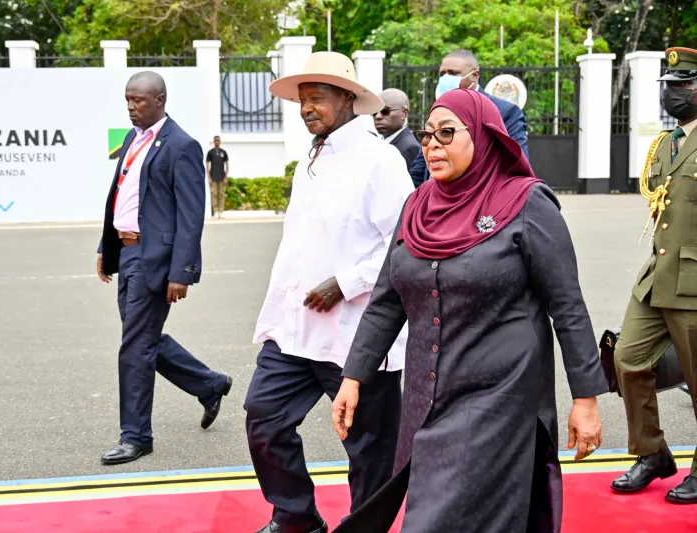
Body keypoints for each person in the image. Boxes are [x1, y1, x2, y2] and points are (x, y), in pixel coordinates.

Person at [331, 89, 606, 533]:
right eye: (427, 135)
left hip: (499, 399)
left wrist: (585, 400)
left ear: (482, 135)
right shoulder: (417, 206)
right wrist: (353, 377)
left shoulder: (526, 202)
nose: (432, 145)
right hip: (425, 398)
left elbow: (568, 306)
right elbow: (386, 302)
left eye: (446, 133)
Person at [245, 52, 413, 533]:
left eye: (316, 98)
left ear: (347, 98)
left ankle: (365, 528)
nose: (306, 108)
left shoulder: (381, 161)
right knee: (264, 417)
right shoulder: (311, 158)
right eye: (302, 100)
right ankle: (296, 518)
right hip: (295, 330)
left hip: (356, 334)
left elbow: (404, 244)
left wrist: (346, 282)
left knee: (369, 450)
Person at [97, 71, 232, 466]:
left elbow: (191, 215)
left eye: (138, 100)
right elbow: (123, 196)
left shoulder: (181, 145)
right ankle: (209, 384)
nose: (131, 106)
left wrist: (181, 271)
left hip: (154, 258)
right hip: (127, 252)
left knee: (136, 346)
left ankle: (136, 436)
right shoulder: (132, 139)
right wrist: (107, 246)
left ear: (159, 100)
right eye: (127, 99)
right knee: (142, 339)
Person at [610, 46, 697, 504]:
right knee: (627, 359)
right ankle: (652, 453)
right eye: (669, 87)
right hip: (657, 275)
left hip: (694, 282)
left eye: (682, 86)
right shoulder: (665, 143)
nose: (672, 94)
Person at [408, 49, 529, 188]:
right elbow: (420, 169)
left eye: (453, 73)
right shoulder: (438, 111)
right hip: (436, 196)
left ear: (474, 76)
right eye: (442, 74)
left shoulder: (504, 111)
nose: (446, 78)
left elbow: (516, 166)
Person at [373, 89, 421, 170]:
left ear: (404, 113)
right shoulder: (382, 143)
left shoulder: (409, 148)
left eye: (385, 111)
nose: (377, 116)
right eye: (375, 112)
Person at [205, 135, 229, 218]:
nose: (217, 142)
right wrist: (209, 177)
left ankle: (221, 211)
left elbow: (227, 165)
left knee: (221, 194)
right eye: (216, 141)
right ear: (214, 142)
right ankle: (215, 211)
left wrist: (226, 177)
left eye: (218, 140)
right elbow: (207, 165)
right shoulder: (210, 152)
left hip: (222, 177)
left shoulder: (223, 152)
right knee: (214, 194)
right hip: (213, 177)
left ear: (220, 142)